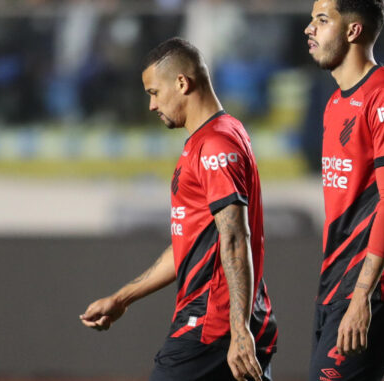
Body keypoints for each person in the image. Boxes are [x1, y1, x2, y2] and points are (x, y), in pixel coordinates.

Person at [80, 37, 277, 381]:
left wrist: (237, 328)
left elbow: (233, 236)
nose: (152, 105)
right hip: (232, 321)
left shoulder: (215, 145)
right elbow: (190, 244)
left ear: (182, 83)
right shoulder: (221, 136)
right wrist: (123, 298)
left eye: (154, 92)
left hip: (211, 325)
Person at [304, 1, 384, 379]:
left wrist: (362, 296)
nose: (309, 29)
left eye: (322, 20)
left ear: (353, 31)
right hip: (336, 281)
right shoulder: (335, 103)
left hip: (374, 289)